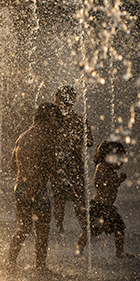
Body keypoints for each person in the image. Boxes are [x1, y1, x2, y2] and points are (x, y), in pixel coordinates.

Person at [6, 102, 61, 277]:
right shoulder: (47, 137)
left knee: (23, 229)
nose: (58, 124)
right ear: (49, 118)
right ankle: (40, 266)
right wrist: (58, 180)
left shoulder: (22, 137)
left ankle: (10, 262)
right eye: (57, 119)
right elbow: (52, 165)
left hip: (21, 188)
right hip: (37, 189)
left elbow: (13, 164)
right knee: (43, 229)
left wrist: (25, 181)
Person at [77, 141, 135, 258]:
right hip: (98, 206)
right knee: (89, 230)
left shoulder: (110, 169)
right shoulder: (101, 167)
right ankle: (78, 250)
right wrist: (118, 181)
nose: (121, 161)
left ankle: (119, 252)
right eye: (118, 157)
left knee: (119, 227)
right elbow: (100, 183)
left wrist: (118, 181)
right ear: (106, 157)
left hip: (107, 207)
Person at [51, 85, 93, 235]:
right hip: (74, 163)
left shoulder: (54, 122)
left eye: (57, 99)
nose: (55, 102)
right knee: (77, 197)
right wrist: (76, 138)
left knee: (60, 197)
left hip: (61, 163)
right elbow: (89, 142)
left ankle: (59, 227)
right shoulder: (80, 120)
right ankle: (83, 227)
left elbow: (89, 142)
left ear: (64, 100)